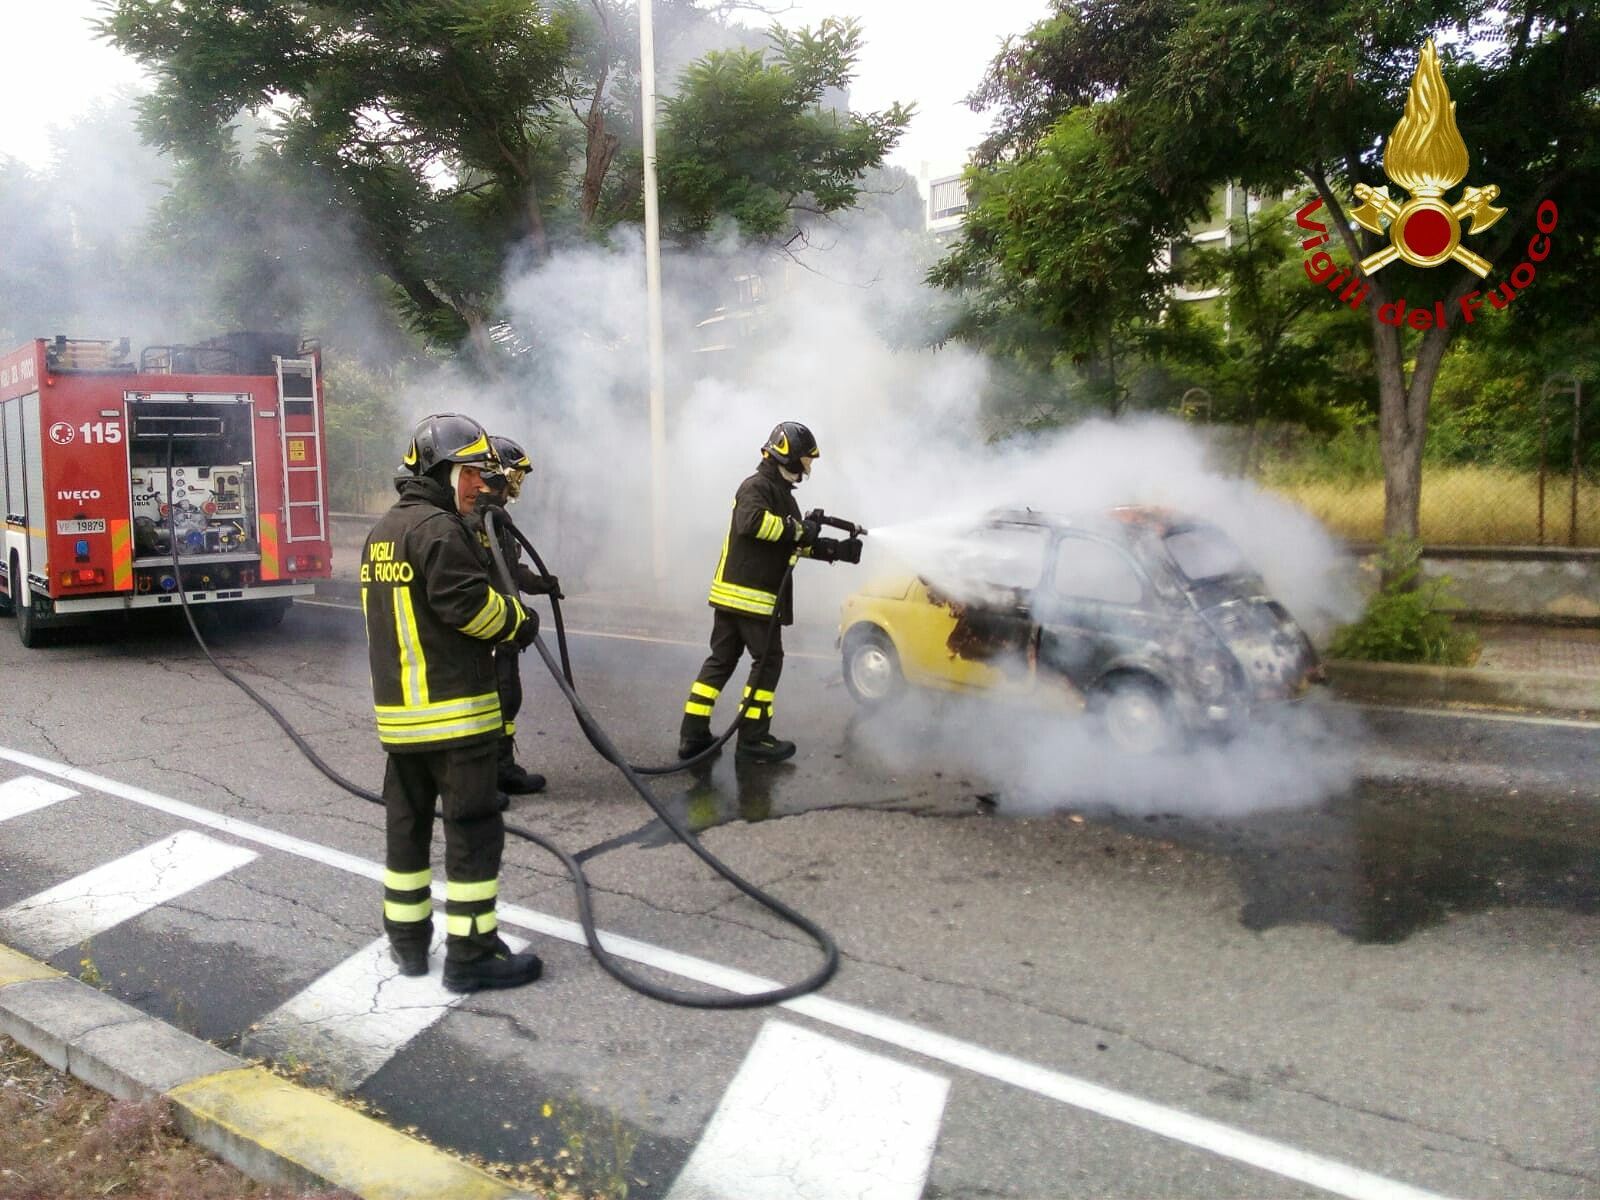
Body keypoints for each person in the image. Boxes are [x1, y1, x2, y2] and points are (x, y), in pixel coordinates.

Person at [361, 412, 544, 994]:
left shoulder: (384, 532)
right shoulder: (440, 532)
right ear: (444, 471)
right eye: (471, 473)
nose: (479, 486)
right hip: (456, 717)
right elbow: (471, 608)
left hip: (402, 723)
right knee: (473, 833)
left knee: (407, 832)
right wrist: (519, 620)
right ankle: (470, 955)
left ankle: (409, 946)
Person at [677, 420, 857, 765]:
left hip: (736, 597)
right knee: (768, 660)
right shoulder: (757, 487)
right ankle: (753, 739)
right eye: (806, 458)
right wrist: (799, 528)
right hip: (752, 598)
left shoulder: (780, 494)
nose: (808, 466)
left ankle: (693, 735)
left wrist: (835, 549)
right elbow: (753, 524)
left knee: (721, 661)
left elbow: (789, 544)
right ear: (787, 454)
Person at [475, 434, 561, 797]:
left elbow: (507, 567)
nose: (517, 484)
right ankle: (483, 775)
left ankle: (502, 768)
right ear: (499, 472)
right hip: (486, 629)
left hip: (505, 627)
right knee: (489, 701)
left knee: (507, 697)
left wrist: (540, 583)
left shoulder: (495, 517)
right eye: (516, 475)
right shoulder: (474, 518)